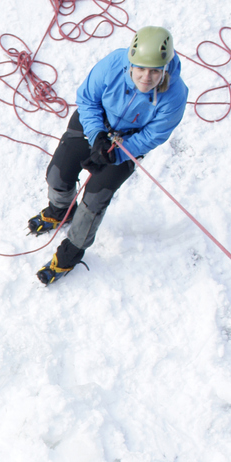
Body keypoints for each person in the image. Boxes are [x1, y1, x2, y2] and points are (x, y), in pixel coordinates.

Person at [28, 26, 188, 286]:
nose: (146, 77)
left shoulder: (175, 95)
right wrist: (96, 136)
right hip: (94, 123)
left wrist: (117, 155)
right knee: (58, 173)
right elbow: (87, 99)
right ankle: (60, 212)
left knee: (95, 200)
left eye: (155, 71)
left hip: (128, 143)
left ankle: (70, 253)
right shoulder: (113, 64)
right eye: (140, 68)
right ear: (130, 62)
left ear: (166, 69)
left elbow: (153, 135)